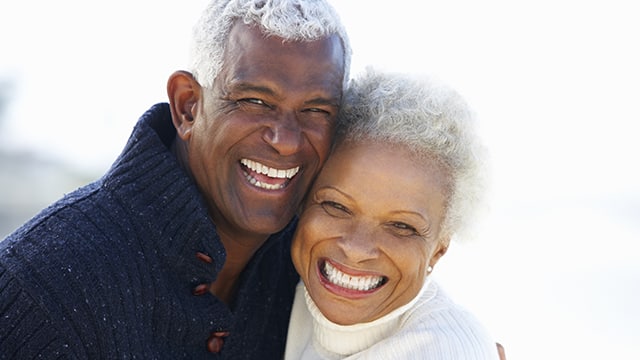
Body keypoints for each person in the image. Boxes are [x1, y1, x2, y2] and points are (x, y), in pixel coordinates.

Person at [0, 0, 350, 358]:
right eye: (255, 101)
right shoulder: (39, 290)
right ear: (187, 106)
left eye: (316, 110)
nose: (286, 140)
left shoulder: (325, 272)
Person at [285, 68, 501, 359]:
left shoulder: (445, 350)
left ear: (439, 249)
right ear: (303, 202)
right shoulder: (281, 288)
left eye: (401, 226)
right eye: (337, 207)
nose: (356, 249)